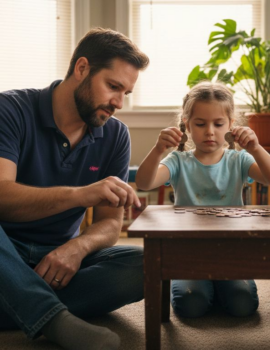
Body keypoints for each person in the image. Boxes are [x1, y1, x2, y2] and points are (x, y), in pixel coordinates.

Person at [0, 28, 149, 349]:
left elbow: (110, 222)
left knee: (145, 266)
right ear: (82, 69)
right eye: (113, 87)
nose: (119, 103)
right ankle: (52, 319)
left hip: (58, 260)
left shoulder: (116, 135)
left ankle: (17, 298)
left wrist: (77, 249)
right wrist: (82, 194)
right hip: (4, 248)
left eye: (126, 93)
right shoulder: (9, 110)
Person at [135, 81, 270, 318]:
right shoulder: (178, 160)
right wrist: (157, 149)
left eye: (218, 124)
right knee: (191, 306)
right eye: (201, 124)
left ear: (231, 125)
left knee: (243, 305)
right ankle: (206, 287)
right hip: (188, 251)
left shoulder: (239, 159)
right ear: (187, 125)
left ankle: (217, 286)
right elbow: (143, 183)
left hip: (231, 250)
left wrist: (255, 148)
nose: (210, 131)